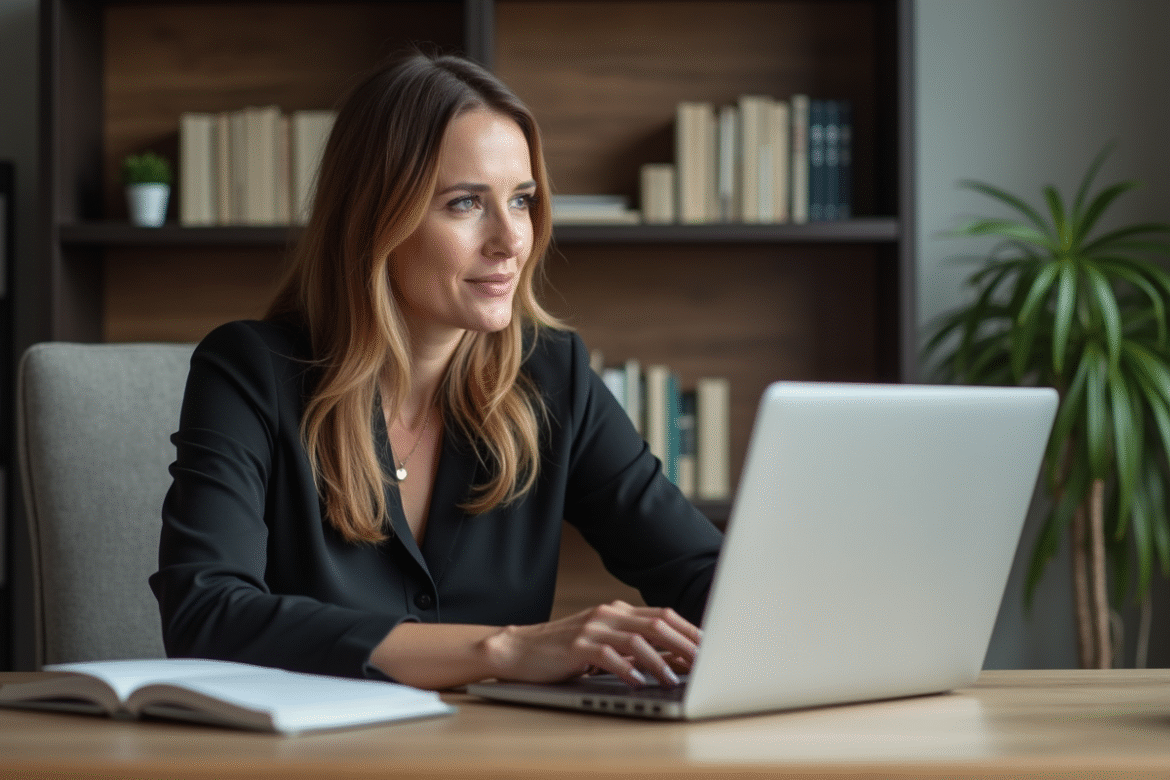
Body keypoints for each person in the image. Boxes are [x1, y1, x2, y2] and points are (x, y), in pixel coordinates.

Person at [149, 51, 723, 691]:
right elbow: (204, 615)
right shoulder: (249, 373)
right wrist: (504, 650)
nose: (510, 240)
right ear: (376, 220)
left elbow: (700, 571)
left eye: (522, 199)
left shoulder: (551, 374)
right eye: (465, 203)